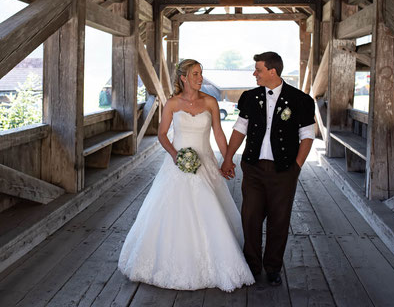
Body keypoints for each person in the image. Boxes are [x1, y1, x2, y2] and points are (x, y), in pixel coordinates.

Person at [118, 59, 254, 292]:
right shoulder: (172, 103)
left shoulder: (210, 102)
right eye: (195, 74)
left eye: (201, 73)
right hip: (177, 163)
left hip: (205, 162)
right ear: (183, 77)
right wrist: (175, 156)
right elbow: (162, 135)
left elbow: (219, 134)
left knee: (209, 208)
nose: (200, 78)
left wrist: (228, 159)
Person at [221, 51, 315, 286]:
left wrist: (296, 167)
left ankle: (273, 267)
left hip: (284, 169)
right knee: (250, 217)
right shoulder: (250, 97)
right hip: (253, 167)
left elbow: (307, 136)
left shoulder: (300, 100)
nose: (255, 74)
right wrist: (228, 157)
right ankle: (252, 265)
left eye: (258, 70)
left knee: (279, 220)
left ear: (272, 71)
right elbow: (239, 129)